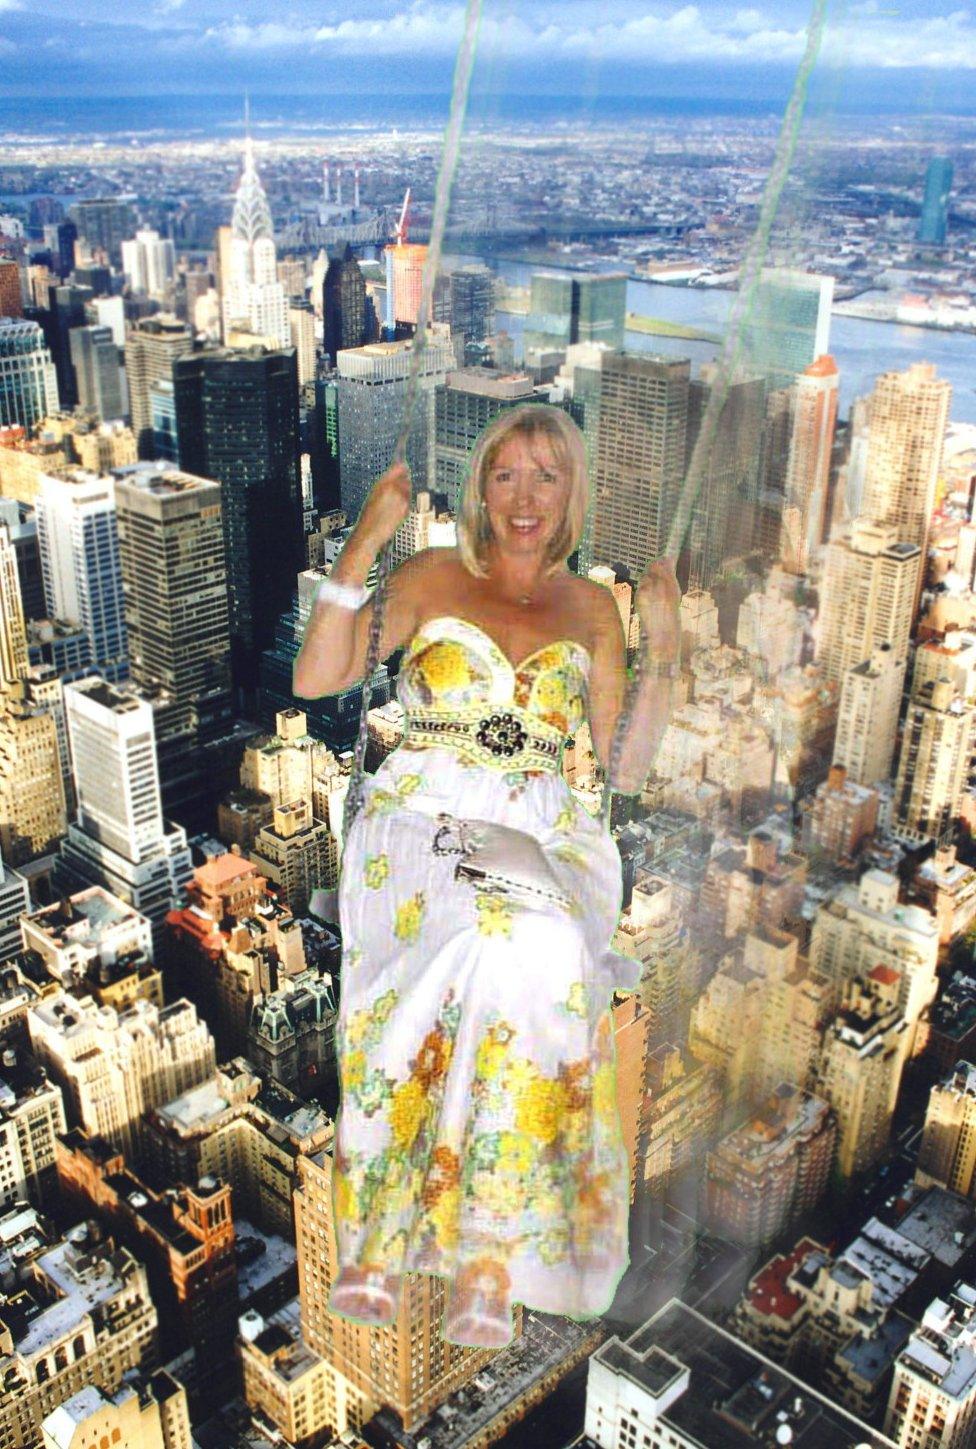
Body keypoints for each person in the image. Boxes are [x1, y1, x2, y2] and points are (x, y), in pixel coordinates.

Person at [293, 404, 681, 1348]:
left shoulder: (594, 607)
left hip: (543, 824)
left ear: (571, 495)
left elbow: (624, 768)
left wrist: (662, 641)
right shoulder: (432, 575)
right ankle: (383, 1239)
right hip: (424, 813)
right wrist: (367, 540)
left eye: (547, 476)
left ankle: (488, 1256)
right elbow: (316, 679)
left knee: (528, 949)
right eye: (506, 473)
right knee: (482, 935)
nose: (525, 496)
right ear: (479, 488)